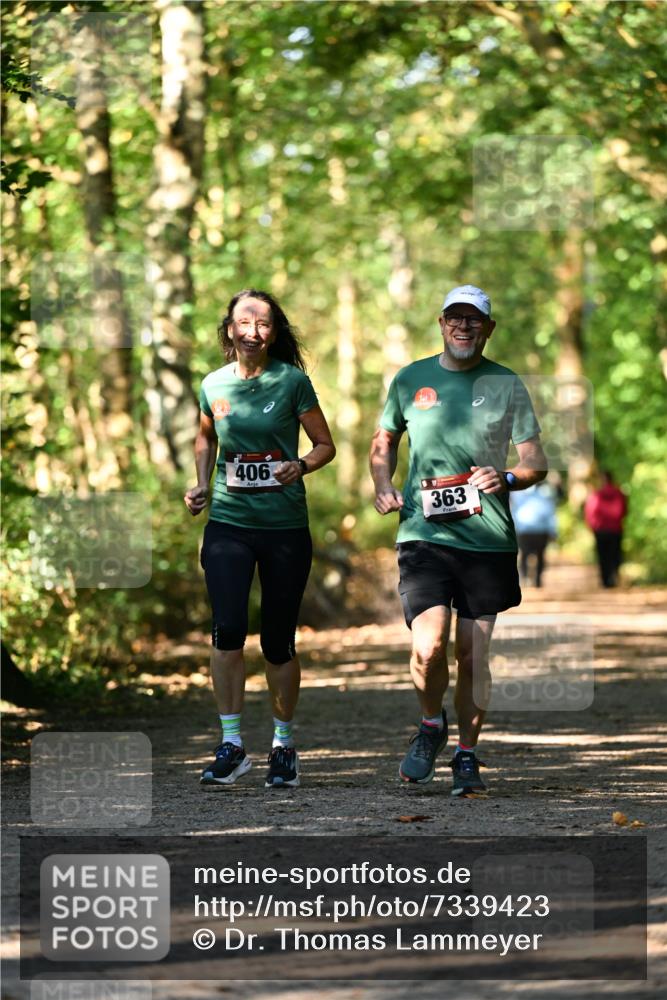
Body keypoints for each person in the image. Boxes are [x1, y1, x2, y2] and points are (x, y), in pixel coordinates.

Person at [370, 284, 547, 797]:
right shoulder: (410, 379)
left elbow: (534, 460)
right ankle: (430, 724)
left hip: (486, 539)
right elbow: (384, 439)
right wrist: (383, 484)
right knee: (428, 649)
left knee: (472, 654)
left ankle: (467, 756)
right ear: (441, 323)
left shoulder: (507, 383)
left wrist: (508, 478)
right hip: (424, 535)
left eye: (474, 319)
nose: (463, 326)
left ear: (489, 328)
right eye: (455, 318)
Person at [185, 289, 335, 789]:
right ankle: (231, 744)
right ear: (229, 328)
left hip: (284, 527)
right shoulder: (212, 384)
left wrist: (301, 465)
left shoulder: (292, 381)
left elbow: (325, 445)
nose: (253, 330)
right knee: (227, 630)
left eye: (263, 323)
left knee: (277, 641)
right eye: (243, 321)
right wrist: (201, 482)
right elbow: (207, 437)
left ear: (274, 332)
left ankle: (283, 745)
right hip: (228, 523)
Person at [584, 470, 628, 588]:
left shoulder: (596, 495)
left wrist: (593, 525)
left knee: (603, 555)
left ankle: (605, 580)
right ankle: (613, 575)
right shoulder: (618, 493)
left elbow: (590, 511)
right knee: (615, 554)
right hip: (615, 529)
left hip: (601, 530)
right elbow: (624, 510)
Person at [510, 480, 558, 588]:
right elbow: (513, 511)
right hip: (525, 530)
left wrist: (552, 530)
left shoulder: (546, 494)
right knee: (525, 555)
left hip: (539, 531)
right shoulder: (518, 494)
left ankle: (537, 580)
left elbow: (550, 513)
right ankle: (525, 578)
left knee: (539, 556)